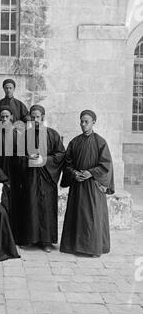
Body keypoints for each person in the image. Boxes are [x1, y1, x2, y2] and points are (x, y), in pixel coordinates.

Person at [60, 110, 115, 257]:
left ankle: (93, 249)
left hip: (93, 186)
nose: (83, 124)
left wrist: (91, 173)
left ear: (94, 123)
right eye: (81, 121)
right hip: (78, 185)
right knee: (77, 215)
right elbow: (67, 163)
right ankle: (75, 246)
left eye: (86, 121)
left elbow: (106, 164)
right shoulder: (75, 142)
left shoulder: (100, 142)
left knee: (92, 216)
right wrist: (74, 174)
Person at [19, 105, 65, 252]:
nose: (35, 119)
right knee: (30, 206)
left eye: (38, 117)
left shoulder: (53, 135)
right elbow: (18, 156)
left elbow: (60, 155)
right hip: (31, 177)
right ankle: (29, 239)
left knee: (46, 208)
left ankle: (46, 241)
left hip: (47, 177)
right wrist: (28, 158)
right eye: (32, 117)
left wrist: (44, 159)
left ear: (43, 117)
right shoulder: (25, 135)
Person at [0, 105, 24, 241]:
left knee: (15, 203)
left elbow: (22, 156)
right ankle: (0, 236)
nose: (4, 119)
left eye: (7, 116)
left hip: (15, 174)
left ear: (12, 117)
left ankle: (15, 236)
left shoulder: (18, 135)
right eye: (2, 117)